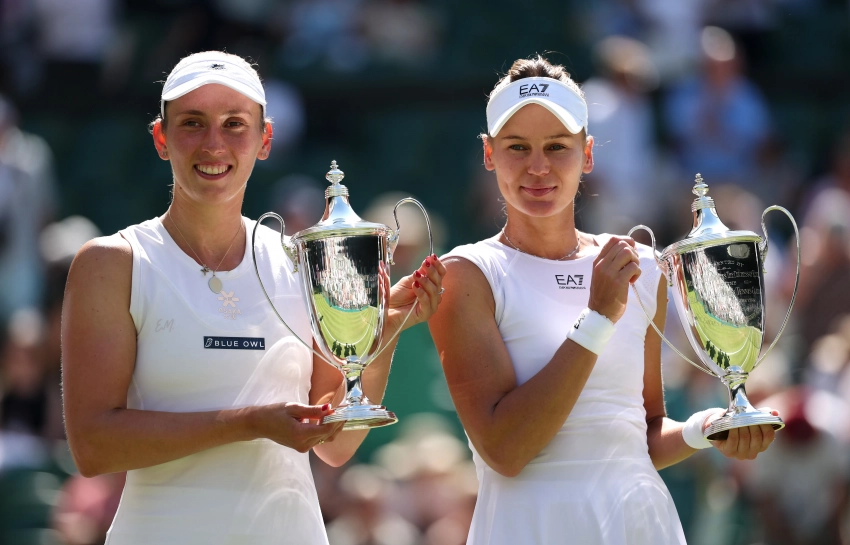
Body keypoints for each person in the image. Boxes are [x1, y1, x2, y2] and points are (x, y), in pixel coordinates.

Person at [60, 51, 446, 544]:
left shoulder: (297, 260)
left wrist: (381, 331)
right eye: (192, 123)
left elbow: (335, 445)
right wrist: (251, 423)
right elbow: (93, 447)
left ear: (265, 140)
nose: (213, 143)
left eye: (234, 124)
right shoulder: (111, 263)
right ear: (161, 138)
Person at [428, 55, 778, 545]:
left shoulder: (642, 267)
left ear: (587, 154)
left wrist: (705, 427)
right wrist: (597, 318)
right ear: (489, 154)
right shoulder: (467, 274)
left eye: (557, 146)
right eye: (517, 147)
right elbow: (506, 451)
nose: (538, 167)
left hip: (642, 525)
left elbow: (640, 433)